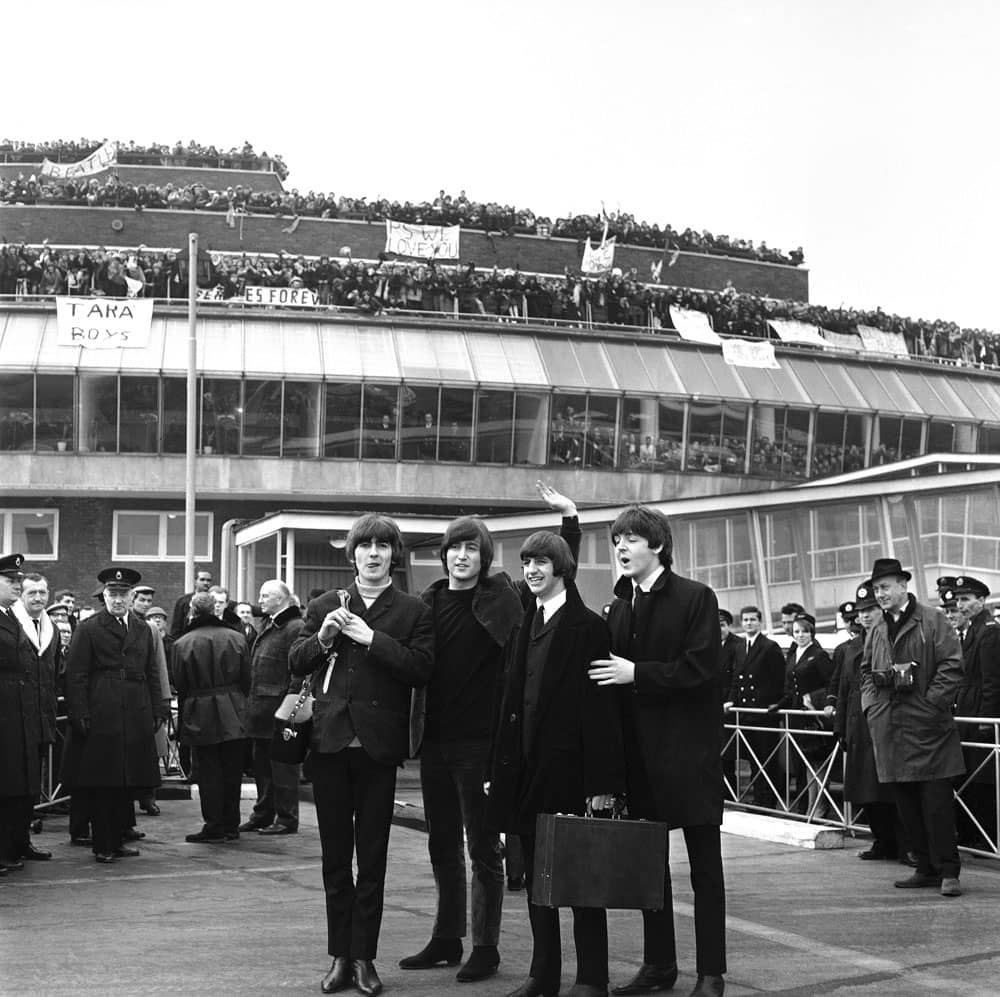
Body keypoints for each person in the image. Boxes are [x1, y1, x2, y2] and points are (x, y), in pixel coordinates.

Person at [401, 482, 581, 984]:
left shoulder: (505, 595)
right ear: (443, 556)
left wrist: (569, 519)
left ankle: (485, 946)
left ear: (484, 557)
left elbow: (558, 570)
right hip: (435, 742)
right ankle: (446, 937)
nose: (462, 556)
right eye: (454, 548)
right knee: (441, 843)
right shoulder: (427, 602)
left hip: (482, 745)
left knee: (483, 847)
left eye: (471, 548)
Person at [289, 513, 434, 996]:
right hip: (329, 746)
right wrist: (324, 637)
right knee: (335, 860)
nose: (373, 554)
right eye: (365, 546)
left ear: (394, 555)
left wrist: (372, 639)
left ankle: (365, 957)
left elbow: (421, 669)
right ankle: (340, 956)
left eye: (382, 546)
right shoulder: (325, 604)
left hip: (377, 750)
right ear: (352, 555)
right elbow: (295, 661)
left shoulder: (412, 610)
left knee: (372, 861)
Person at [589, 505, 726, 997]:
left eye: (631, 539)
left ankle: (711, 973)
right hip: (640, 762)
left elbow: (702, 670)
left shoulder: (695, 597)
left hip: (689, 759)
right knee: (651, 871)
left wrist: (637, 673)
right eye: (617, 541)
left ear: (658, 545)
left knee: (705, 870)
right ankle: (659, 964)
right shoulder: (620, 605)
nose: (621, 548)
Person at [487, 530, 624, 997]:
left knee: (582, 882)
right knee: (535, 883)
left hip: (571, 775)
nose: (531, 570)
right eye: (527, 562)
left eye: (541, 562)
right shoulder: (523, 623)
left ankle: (591, 979)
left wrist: (602, 783)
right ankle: (542, 975)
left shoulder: (588, 627)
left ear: (562, 568)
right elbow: (507, 702)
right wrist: (494, 772)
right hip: (524, 772)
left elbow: (602, 713)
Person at [860, 557, 965, 898]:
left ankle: (948, 871)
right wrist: (872, 708)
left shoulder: (932, 619)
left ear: (903, 585)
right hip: (891, 729)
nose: (880, 594)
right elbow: (866, 671)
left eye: (885, 587)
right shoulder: (876, 627)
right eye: (876, 589)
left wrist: (931, 704)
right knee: (906, 805)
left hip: (929, 729)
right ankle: (925, 868)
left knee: (937, 804)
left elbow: (951, 665)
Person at [60, 567, 169, 863]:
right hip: (102, 710)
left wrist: (158, 708)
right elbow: (76, 675)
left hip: (136, 710)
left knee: (127, 780)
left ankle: (119, 838)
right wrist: (79, 712)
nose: (118, 600)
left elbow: (152, 671)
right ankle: (103, 844)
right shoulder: (89, 628)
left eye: (123, 594)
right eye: (113, 594)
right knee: (104, 781)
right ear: (105, 596)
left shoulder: (142, 628)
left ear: (132, 596)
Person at [830, 586, 907, 862]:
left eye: (870, 610)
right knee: (865, 790)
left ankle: (904, 844)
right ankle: (882, 840)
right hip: (857, 725)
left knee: (890, 789)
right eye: (861, 612)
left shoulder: (894, 637)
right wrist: (840, 727)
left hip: (884, 722)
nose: (864, 616)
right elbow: (843, 688)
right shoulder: (850, 647)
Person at [173, 592, 251, 843]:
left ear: (193, 611)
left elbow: (181, 684)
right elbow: (247, 679)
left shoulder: (182, 643)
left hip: (200, 710)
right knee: (232, 770)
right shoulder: (237, 638)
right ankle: (231, 824)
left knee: (208, 772)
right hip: (234, 709)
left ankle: (214, 826)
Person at [240, 579, 305, 837]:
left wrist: (290, 709)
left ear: (280, 599)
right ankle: (263, 814)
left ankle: (286, 819)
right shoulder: (271, 624)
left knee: (283, 768)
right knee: (263, 768)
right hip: (262, 712)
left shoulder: (294, 627)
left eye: (265, 595)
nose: (260, 600)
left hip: (279, 712)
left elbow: (300, 672)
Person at [948, 575, 1000, 849]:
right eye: (958, 600)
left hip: (979, 712)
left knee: (982, 780)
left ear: (982, 600)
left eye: (966, 599)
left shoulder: (988, 631)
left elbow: (992, 682)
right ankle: (971, 835)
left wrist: (985, 722)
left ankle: (985, 838)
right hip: (968, 709)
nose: (961, 605)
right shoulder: (973, 630)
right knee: (969, 776)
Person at [0, 554, 44, 874]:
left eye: (18, 581)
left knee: (17, 783)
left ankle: (14, 844)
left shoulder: (11, 617)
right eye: (10, 581)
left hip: (17, 710)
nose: (17, 585)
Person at [11, 572, 59, 860]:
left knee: (32, 786)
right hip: (16, 718)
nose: (38, 598)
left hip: (41, 718)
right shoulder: (13, 624)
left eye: (42, 592)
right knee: (13, 785)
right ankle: (9, 844)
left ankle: (23, 840)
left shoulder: (50, 627)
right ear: (21, 595)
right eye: (32, 593)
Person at [769, 613, 834, 818]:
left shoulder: (819, 654)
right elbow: (790, 688)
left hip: (815, 714)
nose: (800, 635)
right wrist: (779, 705)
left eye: (804, 632)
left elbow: (831, 682)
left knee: (818, 760)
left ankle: (820, 806)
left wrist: (817, 700)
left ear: (811, 633)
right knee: (807, 761)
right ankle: (811, 806)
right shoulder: (794, 654)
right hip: (798, 715)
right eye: (797, 632)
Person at [723, 607, 785, 807]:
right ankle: (758, 800)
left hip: (763, 713)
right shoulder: (741, 647)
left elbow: (779, 680)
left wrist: (774, 704)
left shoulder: (770, 646)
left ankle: (766, 803)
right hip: (747, 714)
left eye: (752, 620)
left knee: (765, 761)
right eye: (745, 620)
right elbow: (736, 678)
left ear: (760, 622)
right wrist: (732, 700)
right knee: (753, 760)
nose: (748, 623)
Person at [131, 583, 171, 816]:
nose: (145, 604)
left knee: (150, 752)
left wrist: (163, 700)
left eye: (149, 601)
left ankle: (148, 797)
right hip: (127, 696)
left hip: (147, 695)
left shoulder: (151, 629)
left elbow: (159, 665)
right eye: (141, 600)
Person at [170, 568, 214, 639]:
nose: (206, 583)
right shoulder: (183, 601)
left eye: (208, 580)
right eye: (202, 580)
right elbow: (176, 627)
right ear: (195, 582)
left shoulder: (215, 600)